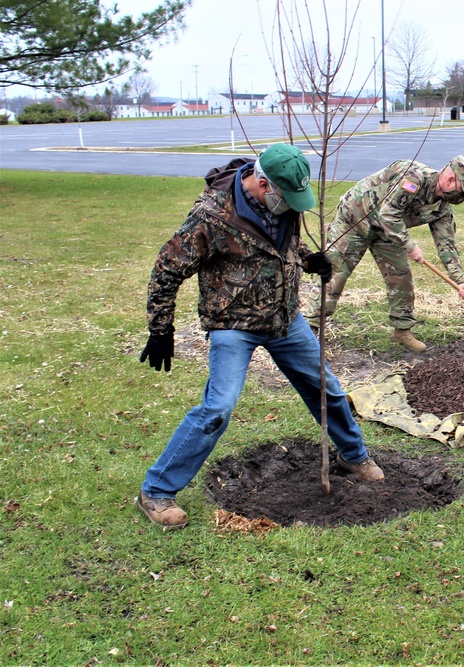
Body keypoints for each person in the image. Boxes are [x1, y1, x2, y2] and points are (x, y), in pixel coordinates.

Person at [137, 143, 383, 531]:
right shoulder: (211, 217)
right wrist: (160, 329)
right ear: (262, 182)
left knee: (328, 390)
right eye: (287, 198)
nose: (293, 207)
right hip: (233, 325)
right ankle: (157, 490)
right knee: (218, 408)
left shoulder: (283, 203)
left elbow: (279, 245)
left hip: (285, 320)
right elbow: (166, 269)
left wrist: (305, 257)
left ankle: (353, 455)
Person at [304, 156, 464, 353]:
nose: (461, 197)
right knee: (335, 273)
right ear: (450, 181)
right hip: (355, 219)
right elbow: (388, 213)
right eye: (462, 190)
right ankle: (311, 329)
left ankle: (402, 330)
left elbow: (446, 244)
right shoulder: (413, 177)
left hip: (388, 232)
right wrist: (410, 245)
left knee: (401, 276)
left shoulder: (442, 208)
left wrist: (461, 280)